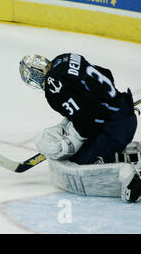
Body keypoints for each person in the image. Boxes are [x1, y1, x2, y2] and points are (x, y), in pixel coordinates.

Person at [19, 53, 140, 202]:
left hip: (114, 128)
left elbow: (89, 119)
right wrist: (110, 102)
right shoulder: (65, 58)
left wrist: (70, 141)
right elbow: (106, 74)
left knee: (79, 164)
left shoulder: (52, 84)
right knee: (87, 148)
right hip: (123, 111)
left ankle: (128, 177)